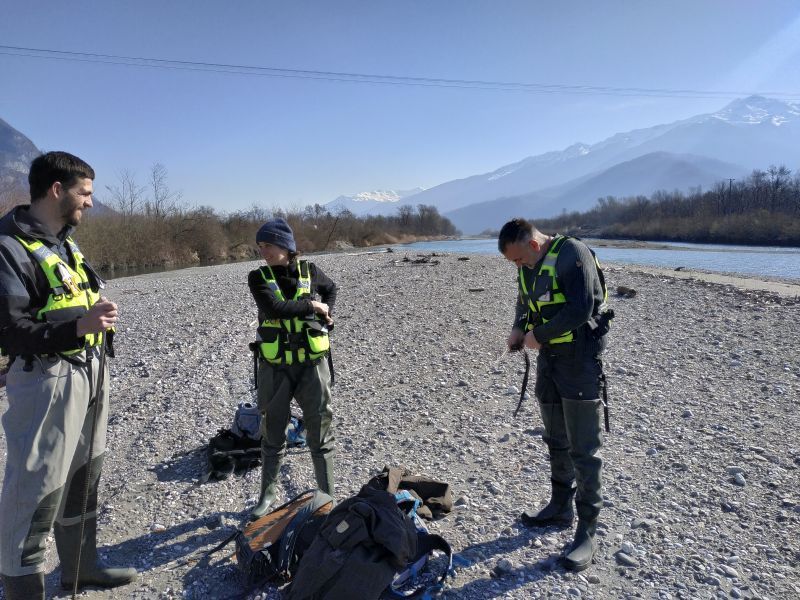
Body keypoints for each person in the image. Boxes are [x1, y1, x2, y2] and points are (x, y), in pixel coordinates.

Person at [0, 152, 136, 598]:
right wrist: (78, 326)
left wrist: (93, 315)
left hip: (89, 373)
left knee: (84, 475)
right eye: (85, 193)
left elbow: (67, 299)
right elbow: (11, 332)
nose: (91, 203)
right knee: (34, 492)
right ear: (56, 190)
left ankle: (82, 568)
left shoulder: (64, 242)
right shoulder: (9, 247)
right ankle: (25, 590)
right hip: (44, 381)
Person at [499, 218, 611, 572]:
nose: (517, 266)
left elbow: (583, 307)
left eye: (518, 259)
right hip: (550, 363)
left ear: (533, 244)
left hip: (579, 361)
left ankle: (587, 530)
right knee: (555, 437)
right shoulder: (527, 265)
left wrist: (540, 334)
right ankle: (560, 505)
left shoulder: (572, 254)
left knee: (584, 448)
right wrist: (519, 327)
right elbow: (524, 300)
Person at [247, 217, 337, 520]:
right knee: (272, 433)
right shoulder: (257, 277)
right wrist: (314, 306)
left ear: (286, 246)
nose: (264, 251)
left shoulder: (310, 271)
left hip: (313, 366)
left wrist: (328, 315)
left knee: (320, 433)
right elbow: (274, 308)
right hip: (275, 368)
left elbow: (331, 289)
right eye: (261, 246)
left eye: (269, 244)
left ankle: (327, 497)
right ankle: (267, 496)